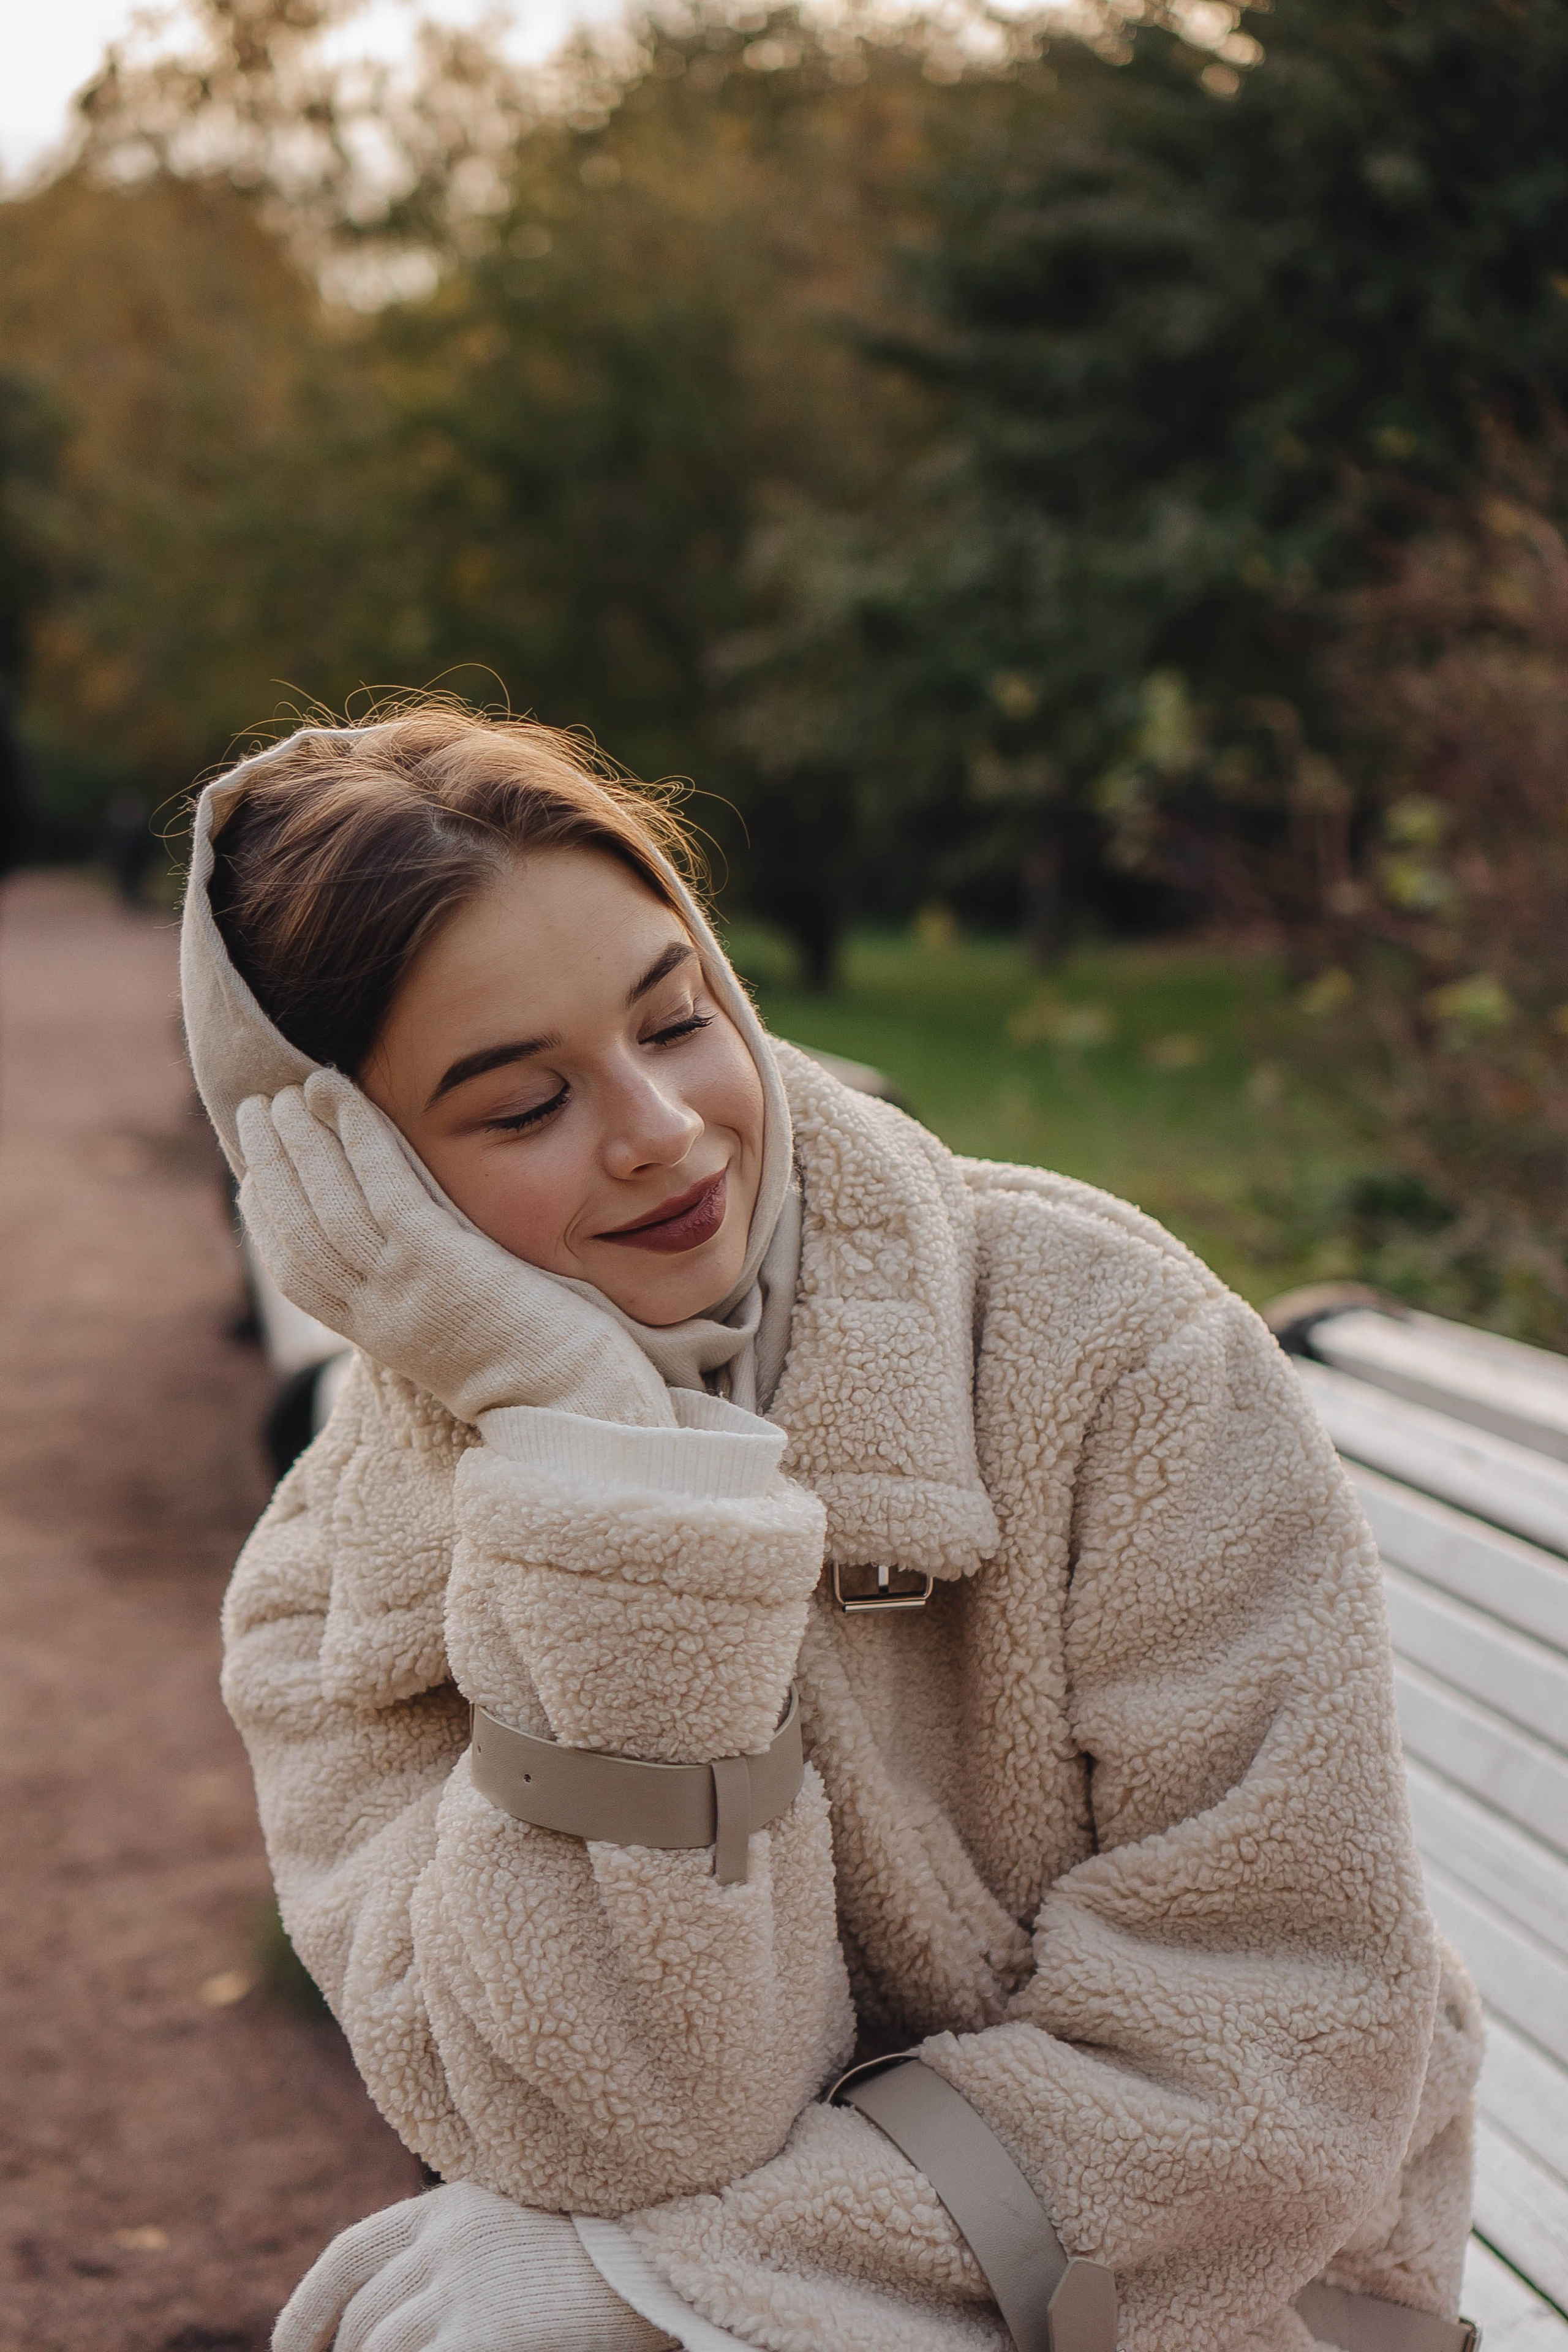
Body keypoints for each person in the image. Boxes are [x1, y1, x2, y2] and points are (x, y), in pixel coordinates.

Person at [179, 706, 1481, 2352]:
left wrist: (656, 2291)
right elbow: (621, 2124)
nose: (661, 1129)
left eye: (676, 1021)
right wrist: (604, 1473)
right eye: (523, 1107)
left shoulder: (1108, 1348)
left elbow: (1272, 2057)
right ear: (354, 1180)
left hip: (1229, 2300)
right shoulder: (334, 1594)